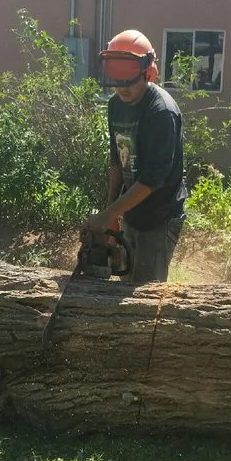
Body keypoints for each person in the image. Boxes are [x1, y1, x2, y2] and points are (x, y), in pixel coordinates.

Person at [85, 29, 187, 284]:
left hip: (160, 215)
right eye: (117, 82)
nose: (123, 89)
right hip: (131, 210)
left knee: (145, 294)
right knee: (125, 283)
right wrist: (111, 212)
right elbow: (117, 161)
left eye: (128, 82)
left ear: (146, 71)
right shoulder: (115, 105)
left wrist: (110, 214)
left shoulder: (161, 112)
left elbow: (153, 178)